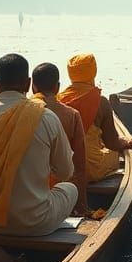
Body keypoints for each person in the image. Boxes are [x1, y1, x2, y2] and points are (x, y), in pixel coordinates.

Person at [0, 54, 78, 235]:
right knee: (70, 188)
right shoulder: (47, 117)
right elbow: (66, 172)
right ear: (27, 84)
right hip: (34, 223)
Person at [58, 53, 132, 181]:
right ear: (93, 71)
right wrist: (125, 142)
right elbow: (112, 143)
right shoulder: (101, 102)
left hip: (64, 169)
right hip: (91, 168)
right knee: (113, 154)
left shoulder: (59, 99)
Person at [32, 62, 87, 214]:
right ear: (57, 87)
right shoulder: (71, 115)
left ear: (32, 86)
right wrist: (82, 205)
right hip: (54, 189)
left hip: (27, 188)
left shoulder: (19, 113)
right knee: (68, 185)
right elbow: (79, 165)